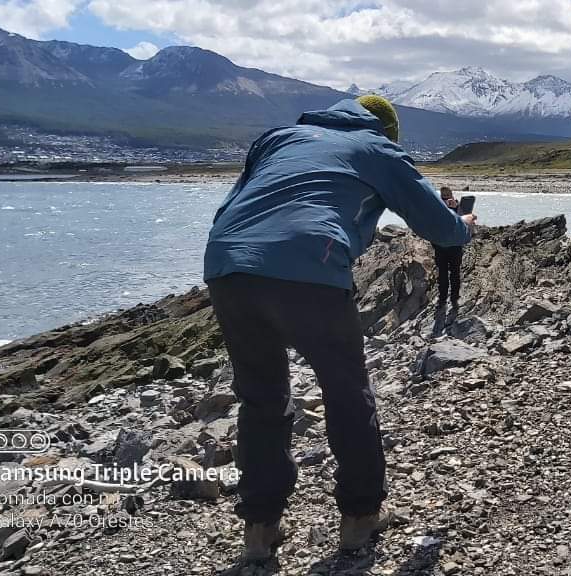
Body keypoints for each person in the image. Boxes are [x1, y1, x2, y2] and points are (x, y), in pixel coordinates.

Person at [203, 95, 476, 562]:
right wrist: (465, 225)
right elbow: (440, 226)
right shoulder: (379, 149)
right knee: (346, 392)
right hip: (312, 266)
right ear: (387, 129)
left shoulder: (278, 137)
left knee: (261, 398)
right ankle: (359, 517)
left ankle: (260, 528)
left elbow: (233, 205)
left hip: (228, 264)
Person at [432, 186, 465, 332]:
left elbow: (465, 221)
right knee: (443, 275)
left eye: (447, 196)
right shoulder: (436, 208)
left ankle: (454, 299)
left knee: (455, 273)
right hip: (441, 247)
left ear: (452, 195)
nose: (446, 199)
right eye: (443, 197)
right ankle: (443, 299)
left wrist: (456, 207)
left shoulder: (459, 207)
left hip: (455, 247)